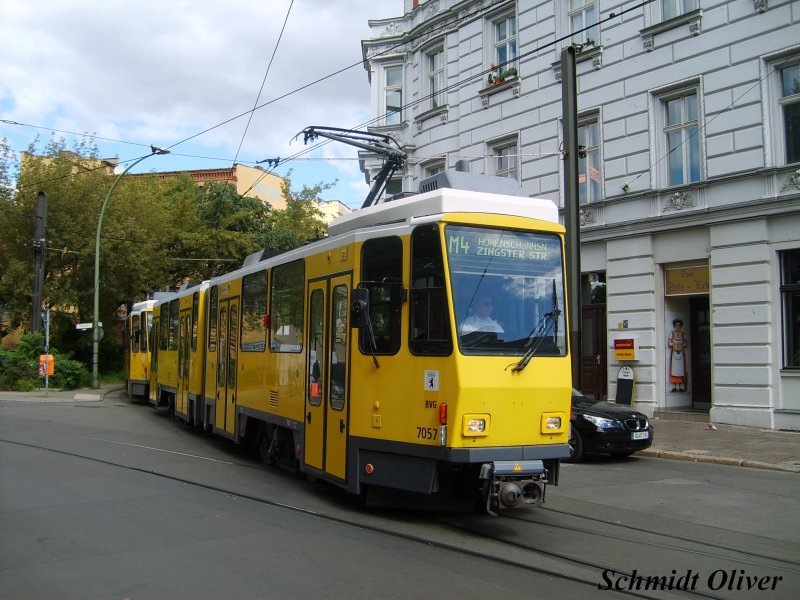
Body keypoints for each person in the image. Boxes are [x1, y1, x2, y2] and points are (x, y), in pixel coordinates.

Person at [668, 318, 688, 392]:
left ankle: (681, 386)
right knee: (674, 369)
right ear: (674, 326)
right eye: (676, 325)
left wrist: (679, 344)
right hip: (674, 353)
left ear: (681, 326)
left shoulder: (683, 334)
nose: (677, 327)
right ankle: (674, 386)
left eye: (679, 325)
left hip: (681, 353)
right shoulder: (672, 333)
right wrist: (676, 343)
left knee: (681, 370)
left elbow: (685, 344)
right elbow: (669, 344)